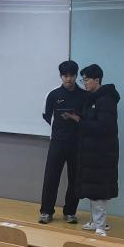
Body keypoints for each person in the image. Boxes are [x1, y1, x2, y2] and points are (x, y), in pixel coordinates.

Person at [63, 64, 120, 237]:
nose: (84, 83)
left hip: (102, 152)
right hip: (91, 151)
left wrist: (78, 120)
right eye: (83, 80)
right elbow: (92, 121)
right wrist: (77, 116)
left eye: (86, 80)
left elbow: (104, 127)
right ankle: (96, 222)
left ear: (97, 80)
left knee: (99, 191)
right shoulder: (93, 98)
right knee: (93, 189)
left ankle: (101, 227)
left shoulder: (106, 100)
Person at [38, 60, 87, 225]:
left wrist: (75, 119)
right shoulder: (53, 95)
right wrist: (59, 128)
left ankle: (70, 212)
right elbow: (46, 115)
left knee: (75, 179)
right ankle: (46, 212)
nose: (68, 79)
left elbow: (87, 118)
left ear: (76, 75)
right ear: (60, 76)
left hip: (77, 143)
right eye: (65, 76)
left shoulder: (84, 96)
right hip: (57, 142)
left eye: (71, 75)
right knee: (51, 178)